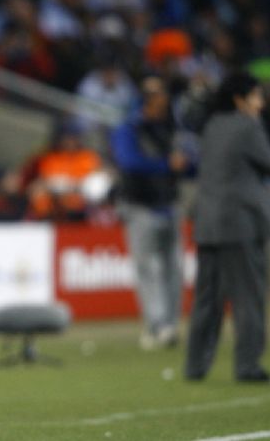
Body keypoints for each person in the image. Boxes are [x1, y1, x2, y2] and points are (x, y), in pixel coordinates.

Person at [185, 73, 270, 383]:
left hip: (208, 223)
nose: (260, 104)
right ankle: (248, 366)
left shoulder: (211, 125)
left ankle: (195, 367)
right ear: (239, 100)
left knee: (207, 301)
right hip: (240, 224)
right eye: (256, 97)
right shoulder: (248, 126)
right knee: (249, 297)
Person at [111, 77, 190, 350]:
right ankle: (156, 324)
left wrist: (184, 164)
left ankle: (169, 323)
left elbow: (188, 163)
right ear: (146, 102)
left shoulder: (171, 129)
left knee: (173, 268)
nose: (162, 107)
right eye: (157, 102)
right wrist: (167, 164)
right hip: (140, 206)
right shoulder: (129, 129)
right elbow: (129, 162)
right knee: (147, 268)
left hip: (169, 203)